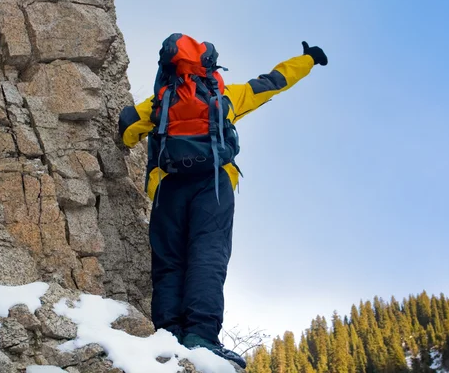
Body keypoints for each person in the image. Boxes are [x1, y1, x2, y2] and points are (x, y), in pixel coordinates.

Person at [118, 36, 328, 368]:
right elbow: (273, 82)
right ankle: (201, 336)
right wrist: (308, 60)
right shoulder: (225, 97)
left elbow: (127, 125)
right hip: (214, 185)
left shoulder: (160, 103)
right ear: (209, 67)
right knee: (207, 257)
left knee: (169, 263)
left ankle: (168, 336)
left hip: (168, 188)